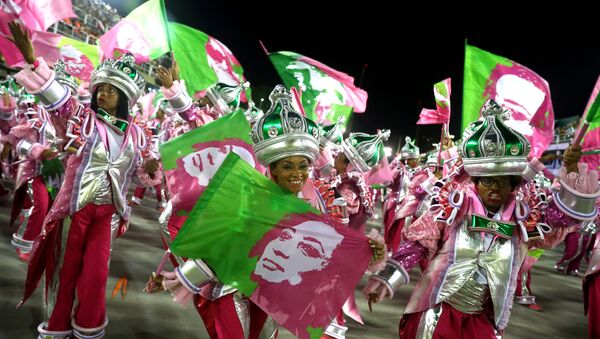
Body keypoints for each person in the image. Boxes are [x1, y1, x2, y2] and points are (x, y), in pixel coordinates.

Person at [151, 85, 384, 339]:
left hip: (271, 292)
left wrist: (369, 252)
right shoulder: (247, 192)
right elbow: (216, 247)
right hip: (230, 284)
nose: (297, 173)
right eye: (287, 166)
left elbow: (333, 247)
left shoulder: (317, 197)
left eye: (303, 165)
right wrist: (178, 279)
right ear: (272, 167)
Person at [364, 100, 597, 338]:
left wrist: (570, 167)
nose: (496, 187)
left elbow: (562, 218)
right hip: (438, 312)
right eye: (488, 180)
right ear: (475, 180)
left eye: (504, 181)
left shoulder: (523, 217)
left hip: (482, 319)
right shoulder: (453, 206)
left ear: (513, 185)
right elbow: (417, 245)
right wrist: (387, 281)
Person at [8, 21, 160, 339]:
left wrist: (151, 166)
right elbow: (61, 100)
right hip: (76, 208)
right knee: (67, 271)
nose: (103, 94)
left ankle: (88, 326)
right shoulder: (83, 120)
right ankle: (58, 325)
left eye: (111, 90)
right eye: (100, 89)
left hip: (108, 213)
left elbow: (143, 177)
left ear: (124, 97)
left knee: (95, 274)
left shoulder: (137, 134)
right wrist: (35, 62)